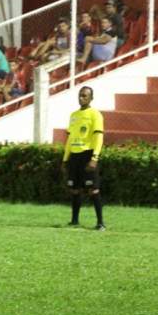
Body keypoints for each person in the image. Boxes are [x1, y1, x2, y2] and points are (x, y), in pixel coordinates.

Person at [62, 86, 105, 231]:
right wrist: (65, 158)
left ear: (91, 98)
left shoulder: (95, 114)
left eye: (85, 96)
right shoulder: (73, 115)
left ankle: (100, 223)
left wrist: (94, 158)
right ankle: (74, 220)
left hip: (87, 154)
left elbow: (98, 137)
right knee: (75, 189)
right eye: (80, 95)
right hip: (74, 156)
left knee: (93, 190)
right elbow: (70, 138)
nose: (82, 98)